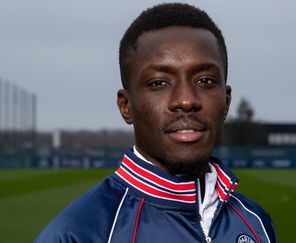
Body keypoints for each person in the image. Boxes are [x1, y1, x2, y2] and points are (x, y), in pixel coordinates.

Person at [36, 3, 277, 243]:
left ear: (226, 101)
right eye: (159, 83)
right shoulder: (77, 235)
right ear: (126, 106)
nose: (186, 100)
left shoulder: (255, 222)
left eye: (204, 80)